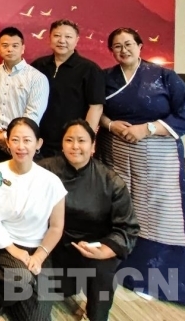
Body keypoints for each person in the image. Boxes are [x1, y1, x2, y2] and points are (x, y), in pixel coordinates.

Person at [98, 27, 185, 305]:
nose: (124, 50)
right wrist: (110, 124)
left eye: (128, 44)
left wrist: (149, 128)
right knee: (120, 210)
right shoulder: (105, 78)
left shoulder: (164, 76)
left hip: (158, 156)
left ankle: (158, 281)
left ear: (140, 46)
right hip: (116, 152)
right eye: (117, 46)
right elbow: (95, 110)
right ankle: (119, 270)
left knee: (160, 215)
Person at [39, 119, 139, 321]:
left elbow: (127, 228)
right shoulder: (44, 171)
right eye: (69, 140)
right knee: (42, 297)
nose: (75, 146)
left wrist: (105, 250)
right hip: (53, 246)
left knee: (103, 269)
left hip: (93, 249)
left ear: (93, 146)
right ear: (62, 144)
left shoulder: (110, 181)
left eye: (82, 141)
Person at [0, 117, 66, 321]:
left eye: (27, 140)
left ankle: (4, 281)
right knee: (23, 279)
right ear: (7, 142)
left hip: (38, 248)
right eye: (15, 140)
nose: (21, 146)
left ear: (38, 144)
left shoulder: (52, 182)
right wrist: (14, 250)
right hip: (5, 245)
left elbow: (56, 227)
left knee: (39, 317)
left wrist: (39, 256)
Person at [31, 20, 105, 157]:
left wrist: (85, 139)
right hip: (38, 140)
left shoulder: (89, 69)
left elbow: (96, 107)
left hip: (71, 143)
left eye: (68, 37)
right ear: (49, 38)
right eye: (57, 35)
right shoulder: (38, 66)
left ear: (77, 40)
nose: (62, 40)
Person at [0, 27, 48, 160]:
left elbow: (33, 113)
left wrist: (9, 136)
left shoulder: (37, 78)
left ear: (23, 48)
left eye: (15, 46)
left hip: (23, 144)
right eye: (5, 45)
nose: (10, 49)